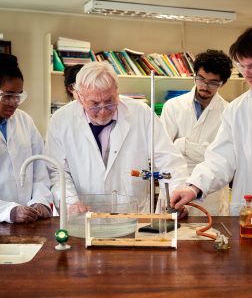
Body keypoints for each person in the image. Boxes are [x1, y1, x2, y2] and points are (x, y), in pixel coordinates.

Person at [170, 22, 252, 225]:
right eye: (242, 65)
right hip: (249, 213)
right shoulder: (237, 110)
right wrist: (194, 187)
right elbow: (221, 158)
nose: (247, 74)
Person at [45, 61, 188, 215]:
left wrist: (174, 196)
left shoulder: (141, 113)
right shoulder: (61, 121)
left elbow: (169, 160)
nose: (103, 111)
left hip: (134, 215)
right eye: (94, 104)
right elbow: (56, 171)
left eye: (109, 102)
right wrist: (70, 201)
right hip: (84, 216)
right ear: (79, 97)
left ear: (117, 92)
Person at [160, 49, 232, 216]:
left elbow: (222, 159)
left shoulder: (228, 112)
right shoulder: (173, 106)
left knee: (208, 238)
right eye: (201, 79)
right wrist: (205, 151)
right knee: (171, 238)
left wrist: (182, 145)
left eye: (213, 82)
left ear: (222, 82)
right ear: (195, 76)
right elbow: (164, 153)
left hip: (210, 194)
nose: (205, 86)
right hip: (175, 186)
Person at [0, 53, 53, 223]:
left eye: (19, 96)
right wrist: (9, 212)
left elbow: (39, 168)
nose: (14, 102)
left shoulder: (24, 121)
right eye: (7, 96)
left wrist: (41, 201)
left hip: (28, 222)